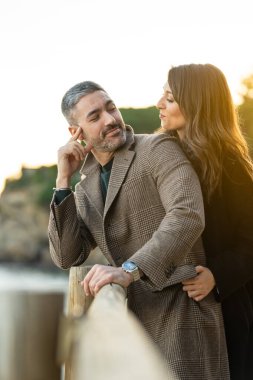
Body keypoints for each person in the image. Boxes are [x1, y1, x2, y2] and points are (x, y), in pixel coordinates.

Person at [48, 80, 230, 379]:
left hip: (183, 318)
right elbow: (67, 256)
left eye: (111, 108)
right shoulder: (85, 187)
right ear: (75, 132)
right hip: (131, 324)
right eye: (94, 117)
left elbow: (187, 215)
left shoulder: (158, 148)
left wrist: (129, 270)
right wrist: (62, 182)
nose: (109, 119)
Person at [156, 63, 253, 380]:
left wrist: (216, 275)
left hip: (228, 311)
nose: (159, 104)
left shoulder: (232, 166)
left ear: (196, 104)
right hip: (181, 309)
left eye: (169, 98)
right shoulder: (167, 155)